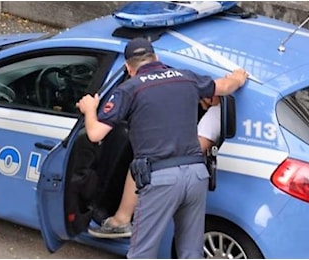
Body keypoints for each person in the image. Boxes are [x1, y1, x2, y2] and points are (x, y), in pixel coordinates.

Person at [76, 37, 248, 258]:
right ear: (157, 58)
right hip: (196, 175)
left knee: (142, 252)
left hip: (160, 180)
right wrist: (238, 77)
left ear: (129, 68)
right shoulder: (186, 77)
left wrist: (89, 109)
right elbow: (224, 87)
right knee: (190, 251)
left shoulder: (129, 89)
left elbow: (95, 133)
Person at [87, 96, 221, 239]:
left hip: (180, 173)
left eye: (201, 97)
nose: (199, 101)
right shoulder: (221, 111)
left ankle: (122, 219)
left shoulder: (214, 115)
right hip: (188, 175)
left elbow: (193, 149)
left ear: (212, 96)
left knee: (140, 163)